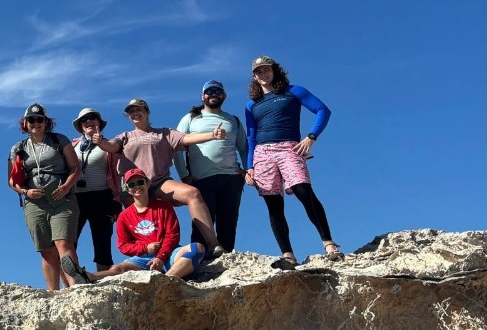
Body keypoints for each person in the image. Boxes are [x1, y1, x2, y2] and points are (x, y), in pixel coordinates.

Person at [94, 98, 227, 257]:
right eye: (131, 111)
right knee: (140, 225)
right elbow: (110, 147)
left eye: (139, 110)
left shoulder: (165, 133)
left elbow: (186, 139)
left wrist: (212, 135)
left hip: (159, 183)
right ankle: (147, 259)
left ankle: (213, 245)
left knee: (193, 193)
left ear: (147, 112)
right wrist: (99, 141)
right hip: (133, 187)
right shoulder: (125, 136)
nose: (135, 113)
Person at [245, 55, 343, 269]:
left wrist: (311, 136)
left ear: (275, 70)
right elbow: (251, 136)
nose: (263, 74)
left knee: (303, 192)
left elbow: (322, 110)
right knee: (273, 204)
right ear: (254, 76)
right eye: (259, 71)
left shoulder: (293, 91)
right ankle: (288, 254)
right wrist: (250, 165)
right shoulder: (252, 104)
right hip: (262, 153)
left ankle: (329, 244)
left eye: (266, 69)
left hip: (289, 147)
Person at [61, 169, 207, 283]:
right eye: (132, 184)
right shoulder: (124, 216)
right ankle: (89, 276)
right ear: (128, 190)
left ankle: (165, 280)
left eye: (140, 182)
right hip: (143, 259)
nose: (137, 186)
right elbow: (123, 246)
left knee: (197, 248)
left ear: (148, 183)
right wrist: (145, 248)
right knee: (119, 268)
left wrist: (161, 257)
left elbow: (172, 235)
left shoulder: (164, 206)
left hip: (168, 254)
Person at [6, 104, 82, 290]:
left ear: (47, 122)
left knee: (64, 243)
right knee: (46, 250)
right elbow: (11, 180)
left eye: (40, 119)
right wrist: (25, 192)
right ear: (24, 123)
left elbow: (75, 168)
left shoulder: (59, 140)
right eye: (31, 119)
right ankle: (53, 293)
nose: (35, 123)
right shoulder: (18, 148)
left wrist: (65, 187)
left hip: (61, 198)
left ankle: (75, 288)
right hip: (34, 202)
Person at [174, 80, 248, 253]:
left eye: (218, 91)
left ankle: (226, 260)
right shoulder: (190, 118)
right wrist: (184, 175)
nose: (213, 94)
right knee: (201, 224)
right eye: (209, 91)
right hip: (201, 180)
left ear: (224, 96)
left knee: (228, 223)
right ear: (202, 96)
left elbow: (244, 148)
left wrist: (247, 169)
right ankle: (198, 264)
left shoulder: (233, 120)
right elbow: (176, 148)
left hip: (231, 178)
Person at [69, 108, 123, 272]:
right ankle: (72, 283)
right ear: (81, 125)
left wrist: (117, 200)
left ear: (99, 122)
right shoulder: (73, 145)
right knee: (69, 241)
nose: (88, 121)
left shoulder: (109, 145)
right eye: (84, 120)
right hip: (76, 198)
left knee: (102, 244)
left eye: (92, 117)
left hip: (102, 197)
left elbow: (117, 173)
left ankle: (103, 282)